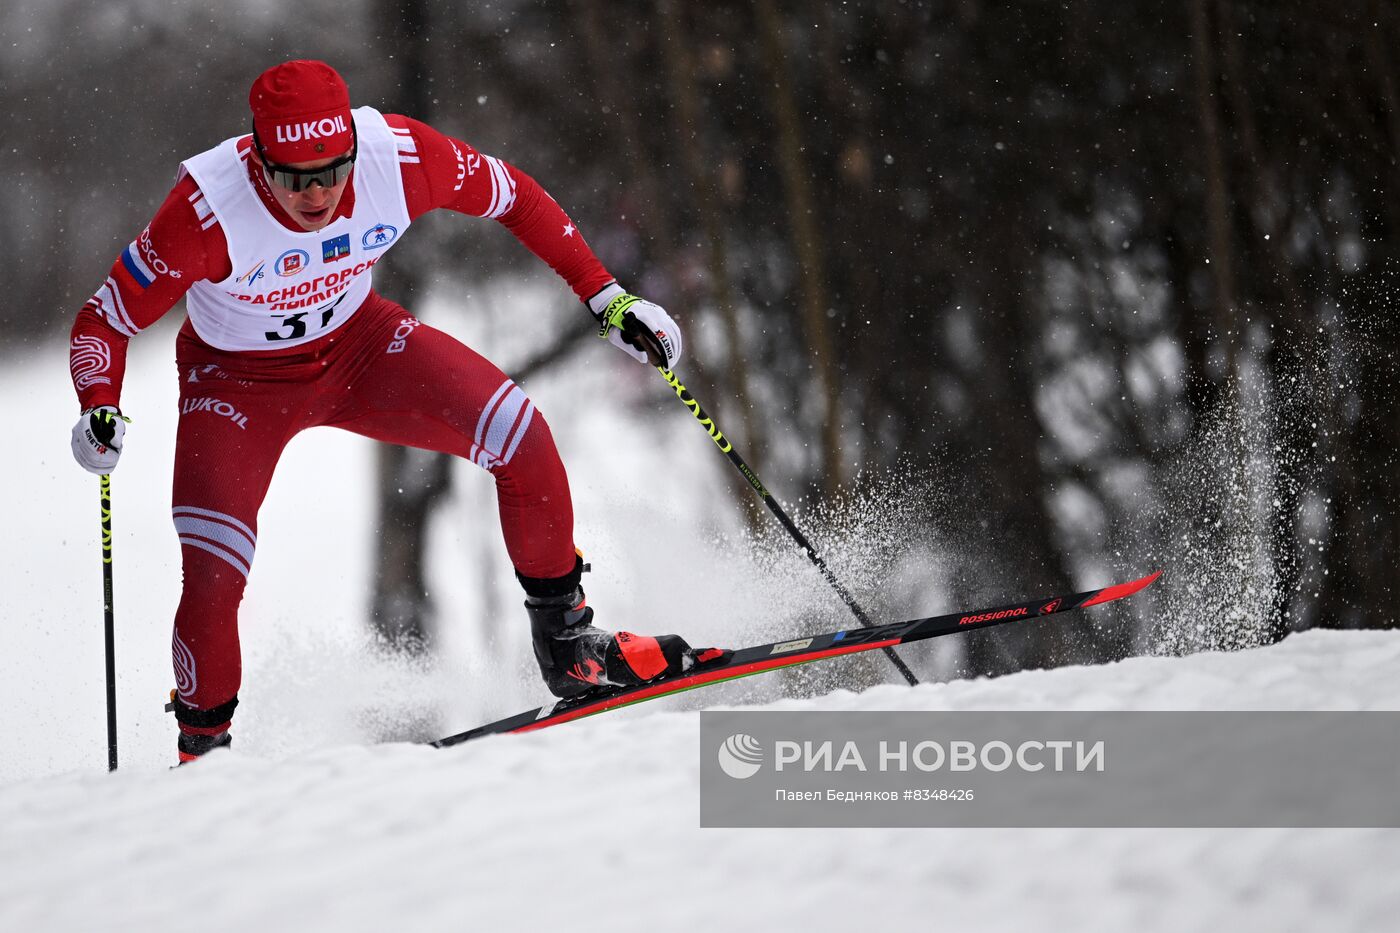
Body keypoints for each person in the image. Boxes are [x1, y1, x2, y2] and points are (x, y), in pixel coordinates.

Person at [68, 60, 722, 763]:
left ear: (352, 146)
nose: (316, 194)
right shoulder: (204, 211)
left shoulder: (399, 158)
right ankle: (202, 753)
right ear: (259, 162)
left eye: (331, 171)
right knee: (214, 567)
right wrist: (98, 406)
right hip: (235, 384)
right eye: (294, 177)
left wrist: (608, 298)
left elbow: (517, 198)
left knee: (520, 433)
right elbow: (103, 321)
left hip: (362, 347)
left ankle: (570, 646)